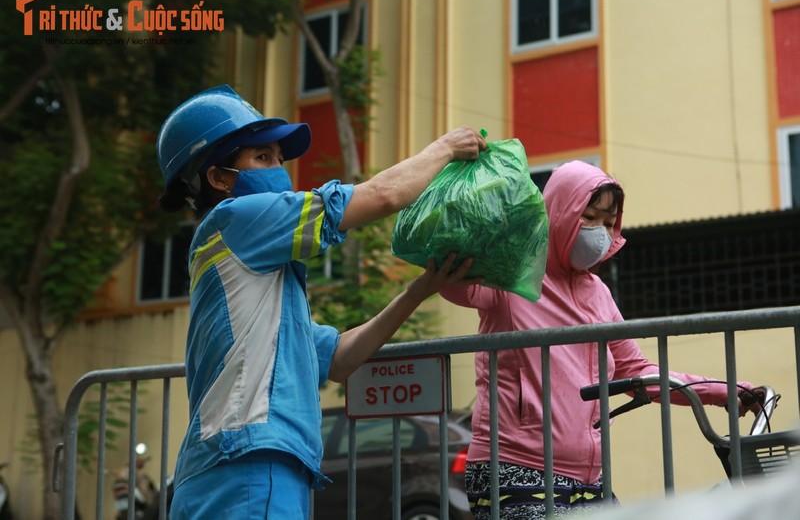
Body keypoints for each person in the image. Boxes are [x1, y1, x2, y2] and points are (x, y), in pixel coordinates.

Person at [155, 84, 486, 519]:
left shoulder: (256, 284)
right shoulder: (236, 219)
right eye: (262, 158)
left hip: (233, 471)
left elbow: (339, 359)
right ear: (219, 178)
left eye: (278, 158)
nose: (280, 170)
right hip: (251, 467)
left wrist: (418, 291)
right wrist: (444, 148)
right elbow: (383, 195)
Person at [440, 160, 765, 519]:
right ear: (558, 212)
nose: (600, 232)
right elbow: (449, 279)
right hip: (515, 470)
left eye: (609, 224)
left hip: (590, 478)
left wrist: (725, 391)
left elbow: (638, 371)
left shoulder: (598, 293)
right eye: (589, 216)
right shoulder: (509, 274)